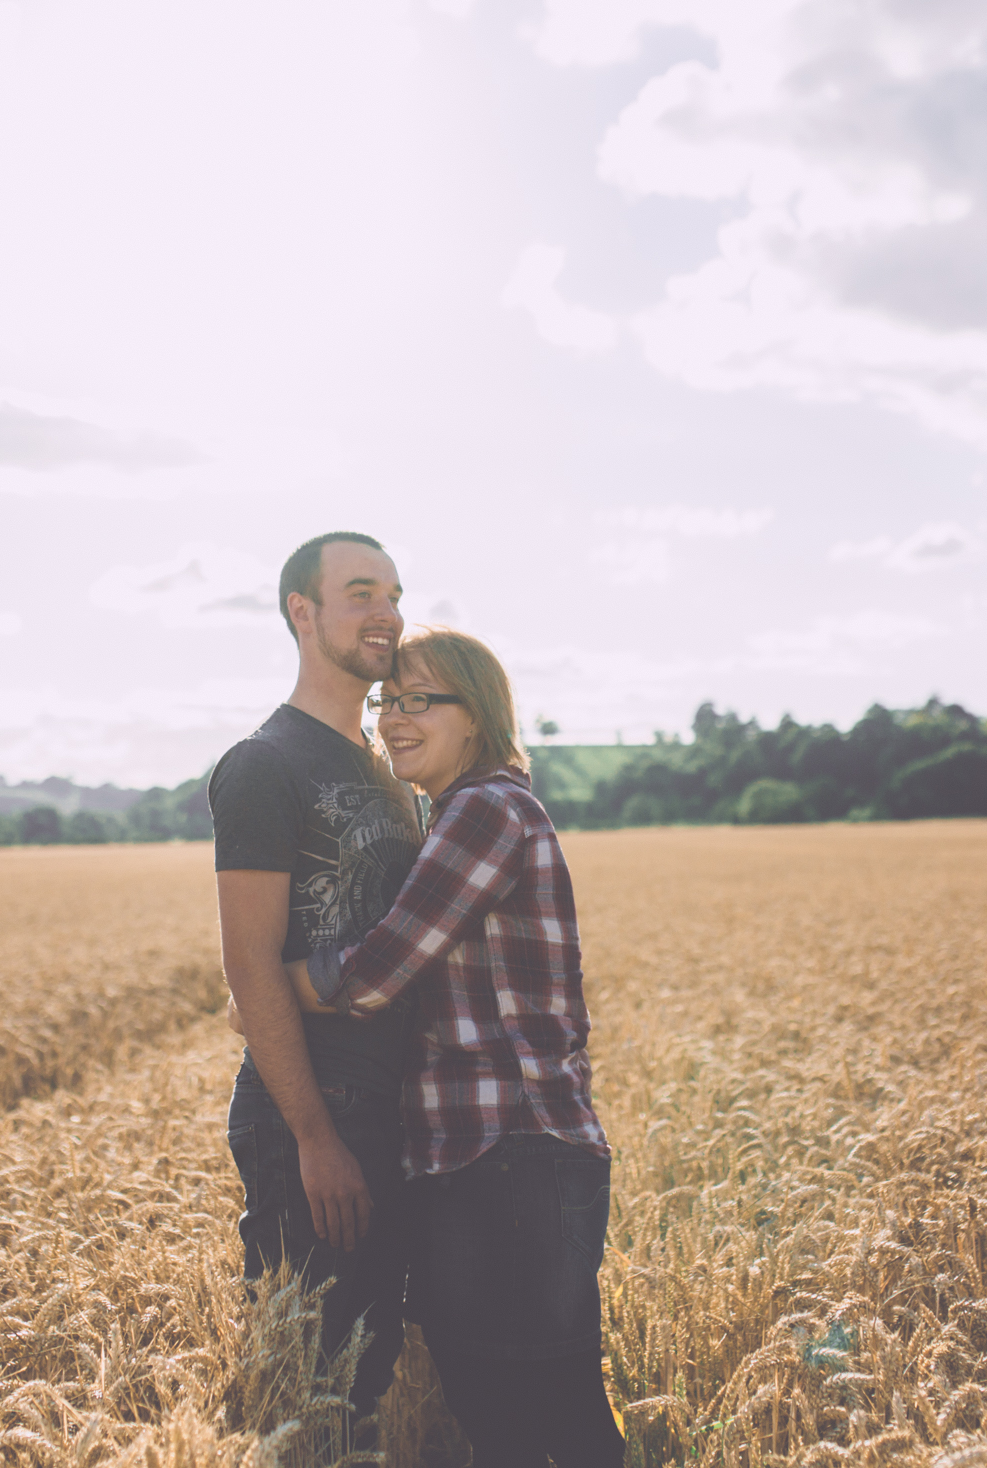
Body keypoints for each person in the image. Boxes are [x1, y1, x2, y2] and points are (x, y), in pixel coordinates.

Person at [289, 626, 625, 1468]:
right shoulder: (462, 811)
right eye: (386, 701)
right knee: (534, 1416)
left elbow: (377, 974)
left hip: (506, 1151)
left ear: (474, 716)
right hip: (500, 1157)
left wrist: (268, 990)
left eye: (419, 701)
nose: (395, 718)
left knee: (533, 1421)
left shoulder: (484, 810)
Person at [210, 531, 425, 1421]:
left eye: (395, 593)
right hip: (316, 1110)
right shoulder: (267, 765)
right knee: (305, 1387)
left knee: (368, 1385)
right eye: (362, 592)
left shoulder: (394, 768)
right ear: (303, 612)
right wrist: (312, 1138)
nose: (389, 613)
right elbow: (250, 962)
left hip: (398, 1111)